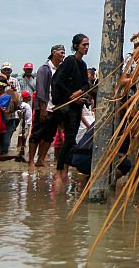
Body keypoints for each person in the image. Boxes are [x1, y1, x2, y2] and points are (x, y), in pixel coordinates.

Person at [49, 34, 91, 187]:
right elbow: (58, 81)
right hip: (66, 107)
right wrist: (70, 96)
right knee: (68, 139)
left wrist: (79, 93)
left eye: (87, 45)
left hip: (76, 104)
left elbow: (86, 84)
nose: (86, 48)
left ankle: (64, 170)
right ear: (76, 46)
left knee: (71, 139)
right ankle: (60, 171)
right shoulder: (69, 61)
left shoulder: (83, 64)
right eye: (83, 45)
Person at [28, 43, 65, 168]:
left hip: (55, 107)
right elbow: (41, 90)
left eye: (64, 53)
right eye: (61, 52)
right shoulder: (44, 69)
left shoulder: (60, 69)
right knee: (37, 134)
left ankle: (41, 159)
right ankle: (31, 161)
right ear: (54, 53)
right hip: (44, 107)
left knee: (49, 135)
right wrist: (43, 108)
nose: (63, 55)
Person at [16, 91, 33, 161]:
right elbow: (20, 112)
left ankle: (22, 146)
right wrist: (23, 119)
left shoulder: (26, 104)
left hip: (27, 122)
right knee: (22, 134)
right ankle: (20, 146)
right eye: (29, 96)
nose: (30, 97)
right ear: (26, 97)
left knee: (24, 135)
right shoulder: (24, 105)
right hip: (25, 122)